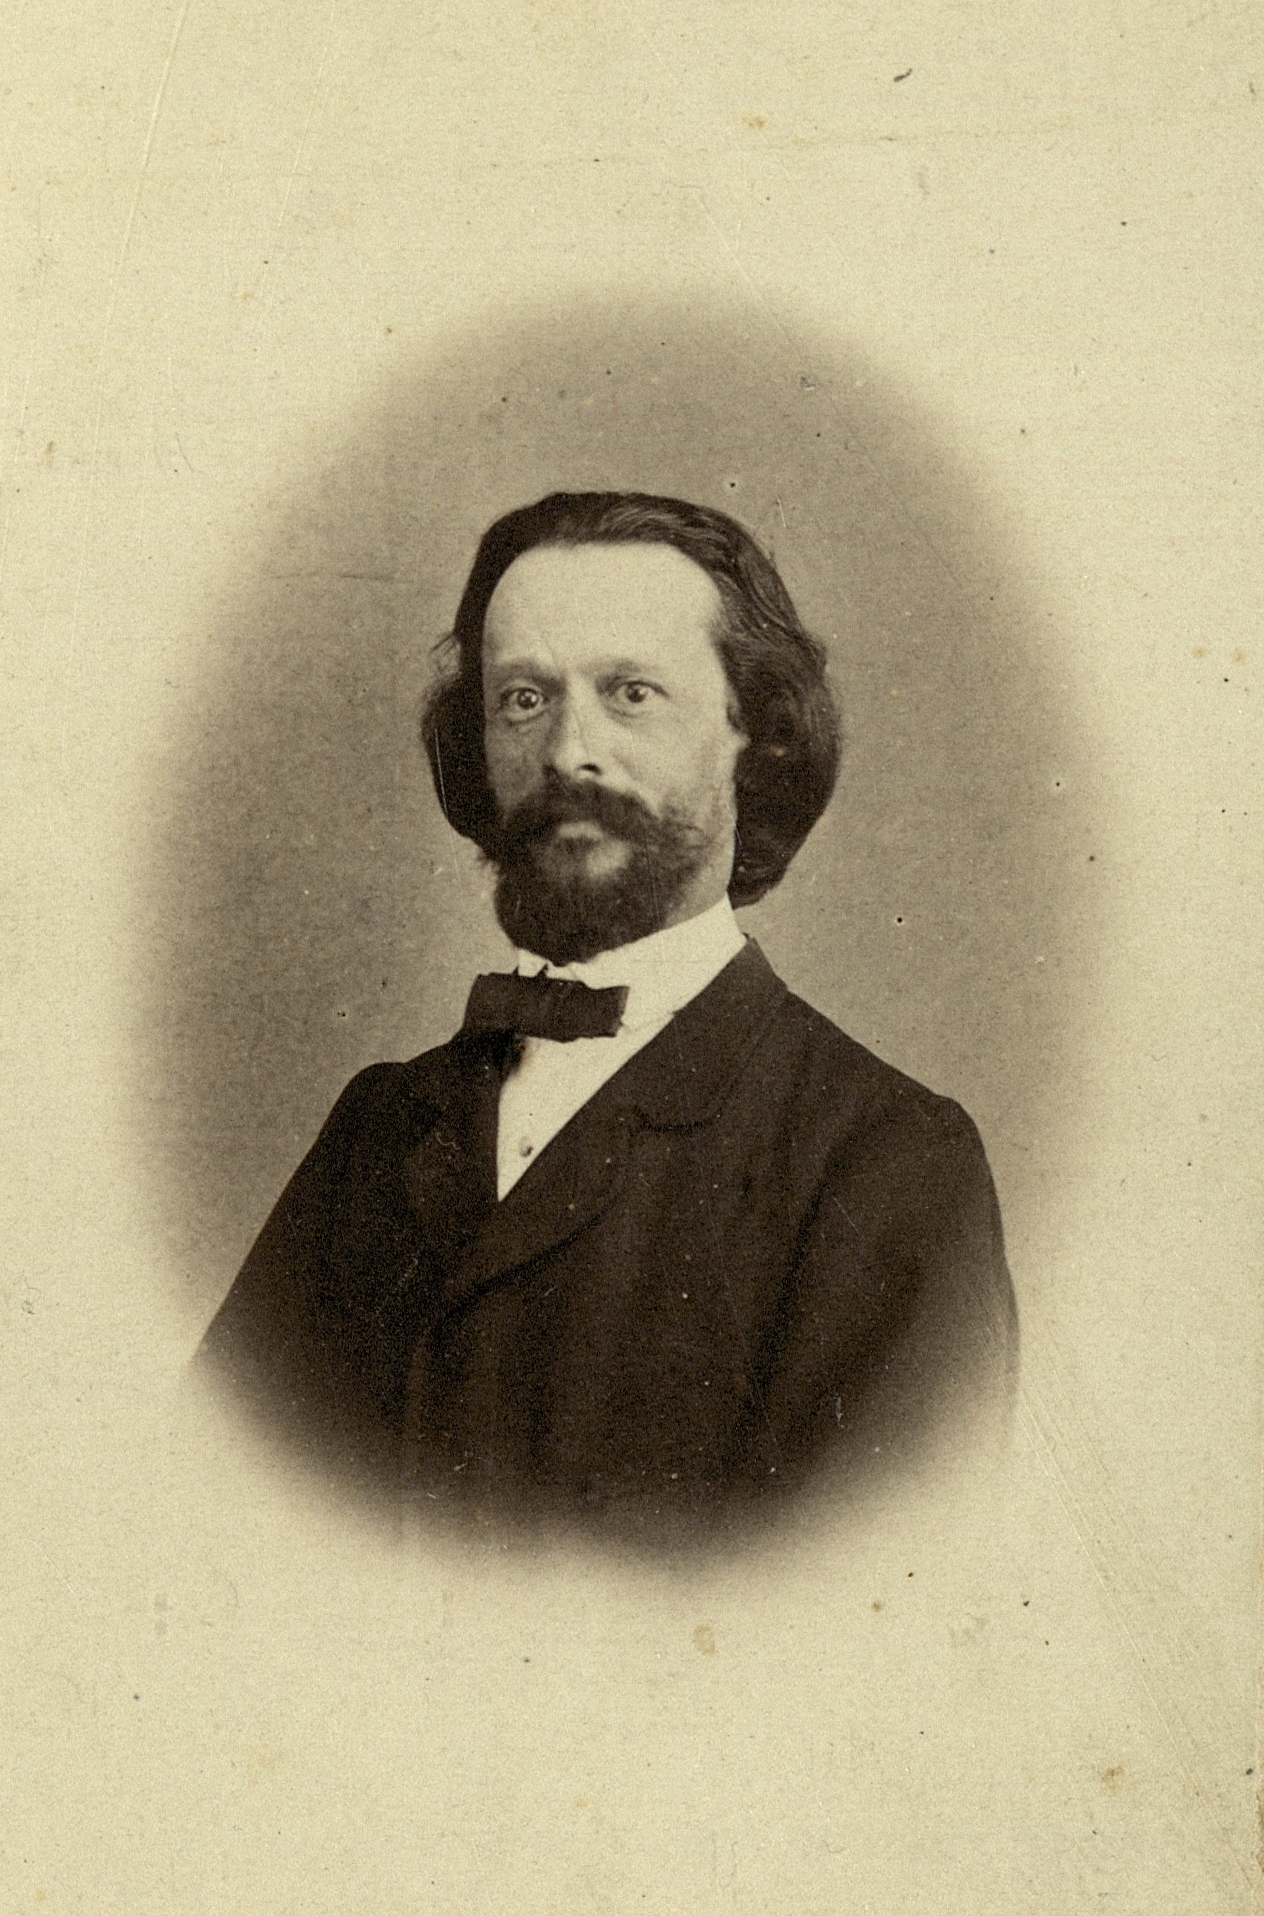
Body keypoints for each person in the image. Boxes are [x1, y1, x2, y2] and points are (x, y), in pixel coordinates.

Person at [199, 491, 1017, 1546]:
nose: (566, 752)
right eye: (523, 699)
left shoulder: (885, 1161)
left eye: (631, 694)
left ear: (754, 739)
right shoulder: (380, 1127)